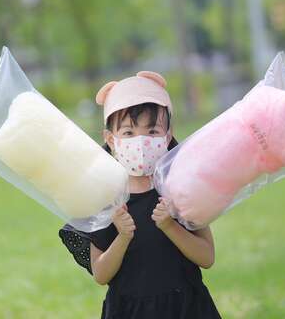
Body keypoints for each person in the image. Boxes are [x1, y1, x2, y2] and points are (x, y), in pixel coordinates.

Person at [58, 71, 221, 318]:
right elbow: (101, 274)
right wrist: (122, 236)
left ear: (168, 135)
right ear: (110, 139)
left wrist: (169, 226)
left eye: (153, 131)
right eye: (128, 133)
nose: (141, 141)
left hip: (186, 308)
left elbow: (207, 256)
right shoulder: (105, 196)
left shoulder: (180, 187)